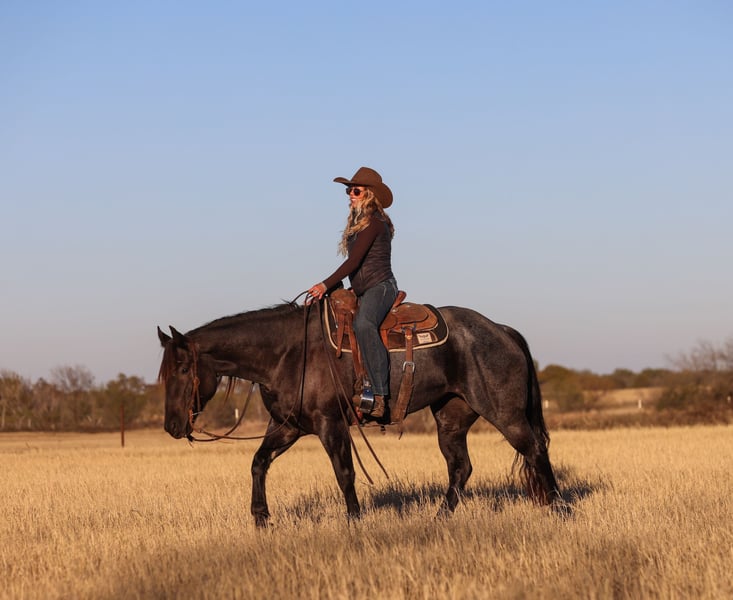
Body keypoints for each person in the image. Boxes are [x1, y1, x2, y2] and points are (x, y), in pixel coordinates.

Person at [308, 167, 398, 419]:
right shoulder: (360, 225)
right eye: (349, 190)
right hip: (363, 290)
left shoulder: (375, 224)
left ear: (369, 194)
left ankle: (379, 396)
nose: (350, 194)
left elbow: (354, 262)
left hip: (381, 286)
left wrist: (325, 285)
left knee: (363, 324)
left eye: (356, 190)